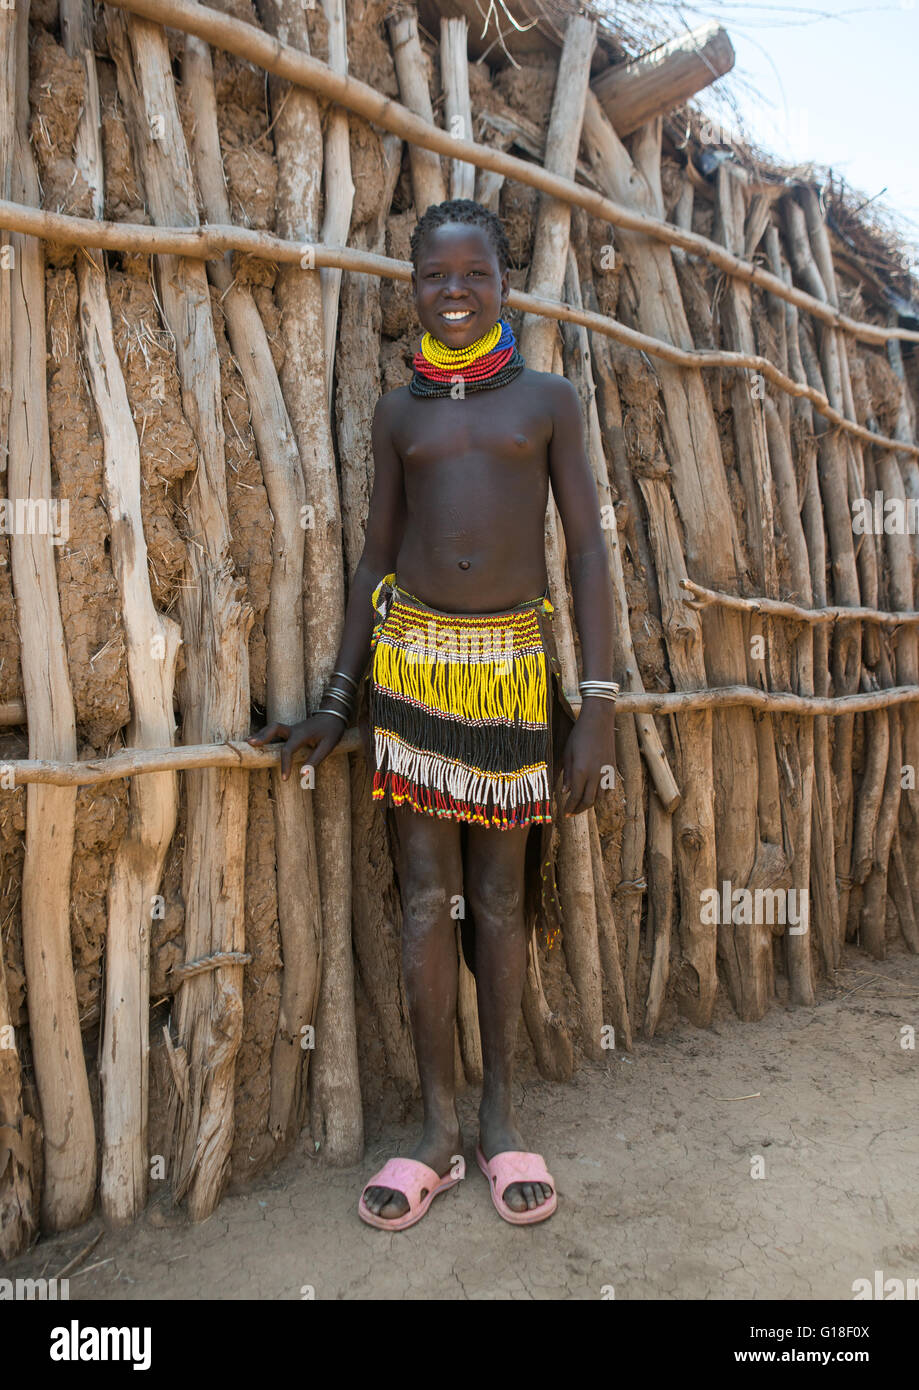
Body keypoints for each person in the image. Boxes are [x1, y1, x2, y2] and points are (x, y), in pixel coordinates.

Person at [249, 198, 617, 1229]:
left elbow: (585, 550)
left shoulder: (547, 400)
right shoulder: (397, 411)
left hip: (507, 675)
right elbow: (374, 554)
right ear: (410, 289)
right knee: (424, 898)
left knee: (496, 900)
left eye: (474, 276)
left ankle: (502, 1123)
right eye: (434, 278)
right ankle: (437, 1133)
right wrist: (336, 698)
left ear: (505, 287)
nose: (453, 293)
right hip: (411, 672)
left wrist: (598, 704)